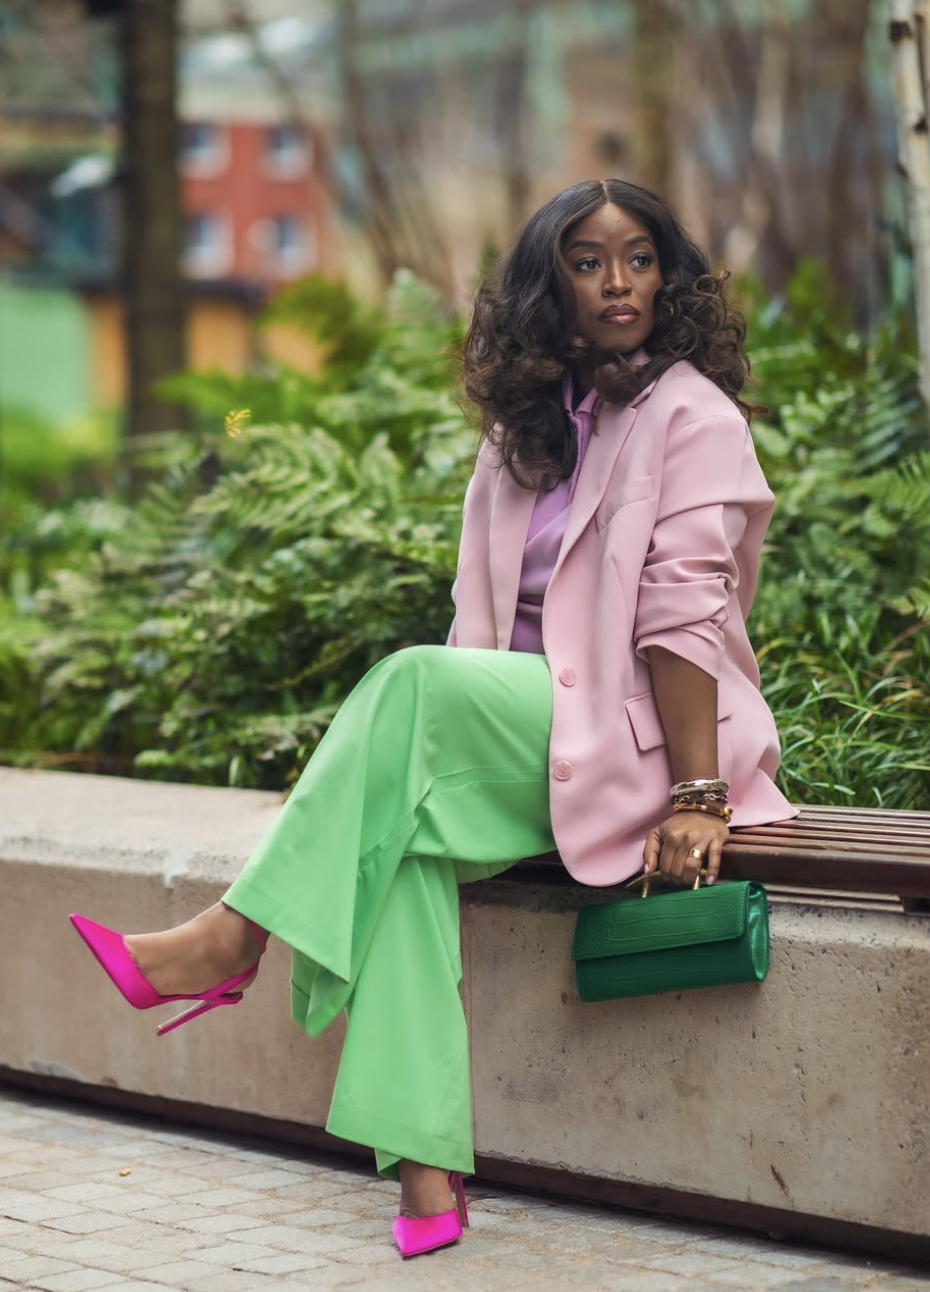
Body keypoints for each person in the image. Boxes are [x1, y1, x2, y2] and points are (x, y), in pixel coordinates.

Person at [69, 177, 795, 1260]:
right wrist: (404, 763)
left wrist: (699, 793)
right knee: (399, 838)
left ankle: (232, 936)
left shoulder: (695, 417)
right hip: (529, 731)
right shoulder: (523, 435)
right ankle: (428, 1179)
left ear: (670, 275)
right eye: (587, 261)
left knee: (408, 682)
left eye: (639, 258)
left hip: (649, 737)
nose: (618, 283)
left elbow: (687, 613)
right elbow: (478, 619)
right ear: (548, 285)